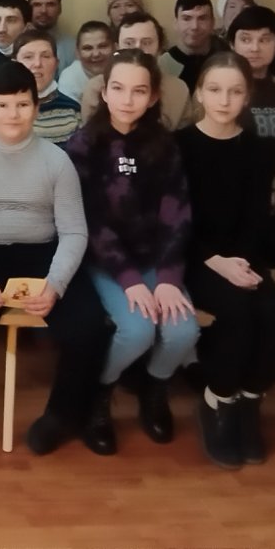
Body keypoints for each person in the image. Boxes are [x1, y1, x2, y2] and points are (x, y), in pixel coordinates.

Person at [0, 61, 111, 456]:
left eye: (22, 104)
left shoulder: (57, 161)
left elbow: (74, 232)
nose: (13, 114)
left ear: (36, 107)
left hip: (43, 252)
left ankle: (63, 415)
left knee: (89, 328)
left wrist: (56, 283)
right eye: (2, 105)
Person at [66, 49, 199, 454]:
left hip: (156, 258)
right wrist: (130, 281)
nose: (127, 99)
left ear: (153, 96)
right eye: (118, 88)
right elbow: (90, 221)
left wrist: (168, 279)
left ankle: (154, 388)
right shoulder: (84, 144)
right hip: (106, 262)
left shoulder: (165, 145)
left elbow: (177, 213)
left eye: (139, 91)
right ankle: (99, 392)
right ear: (104, 92)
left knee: (183, 331)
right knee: (138, 330)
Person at [174, 53, 275, 470]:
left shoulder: (258, 149)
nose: (224, 100)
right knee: (238, 313)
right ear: (199, 93)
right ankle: (218, 401)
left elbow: (256, 218)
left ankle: (249, 404)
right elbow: (175, 220)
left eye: (235, 91)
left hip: (244, 257)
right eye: (214, 89)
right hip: (194, 256)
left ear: (247, 97)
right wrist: (215, 261)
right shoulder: (179, 146)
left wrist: (241, 262)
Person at [228, 7, 275, 224]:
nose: (255, 48)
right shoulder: (215, 89)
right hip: (226, 199)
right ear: (232, 44)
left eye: (264, 40)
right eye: (246, 39)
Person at [78, 13, 191, 129]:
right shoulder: (95, 88)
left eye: (146, 43)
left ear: (160, 48)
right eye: (129, 43)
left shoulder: (178, 90)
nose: (138, 49)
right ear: (117, 47)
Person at [0, 29, 80, 147]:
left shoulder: (73, 111)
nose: (37, 63)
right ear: (15, 63)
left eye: (45, 56)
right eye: (28, 57)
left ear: (56, 63)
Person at [163, 0, 227, 90]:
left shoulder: (227, 62)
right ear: (176, 23)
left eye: (202, 18)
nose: (195, 26)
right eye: (187, 18)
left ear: (212, 23)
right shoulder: (162, 66)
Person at [55, 20, 113, 112]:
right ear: (77, 53)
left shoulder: (126, 70)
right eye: (88, 48)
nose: (96, 54)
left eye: (102, 46)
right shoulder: (69, 79)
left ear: (115, 47)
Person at [26, 0, 77, 72]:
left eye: (50, 4)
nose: (43, 11)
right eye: (37, 5)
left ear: (60, 8)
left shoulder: (73, 47)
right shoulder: (14, 44)